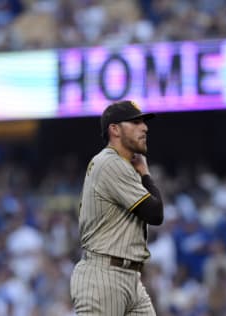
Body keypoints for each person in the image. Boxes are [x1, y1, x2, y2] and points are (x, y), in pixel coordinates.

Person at [70, 100, 164, 315]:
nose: (145, 127)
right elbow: (155, 213)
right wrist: (146, 174)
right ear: (115, 129)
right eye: (136, 122)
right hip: (104, 277)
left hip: (129, 278)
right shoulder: (111, 163)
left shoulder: (121, 165)